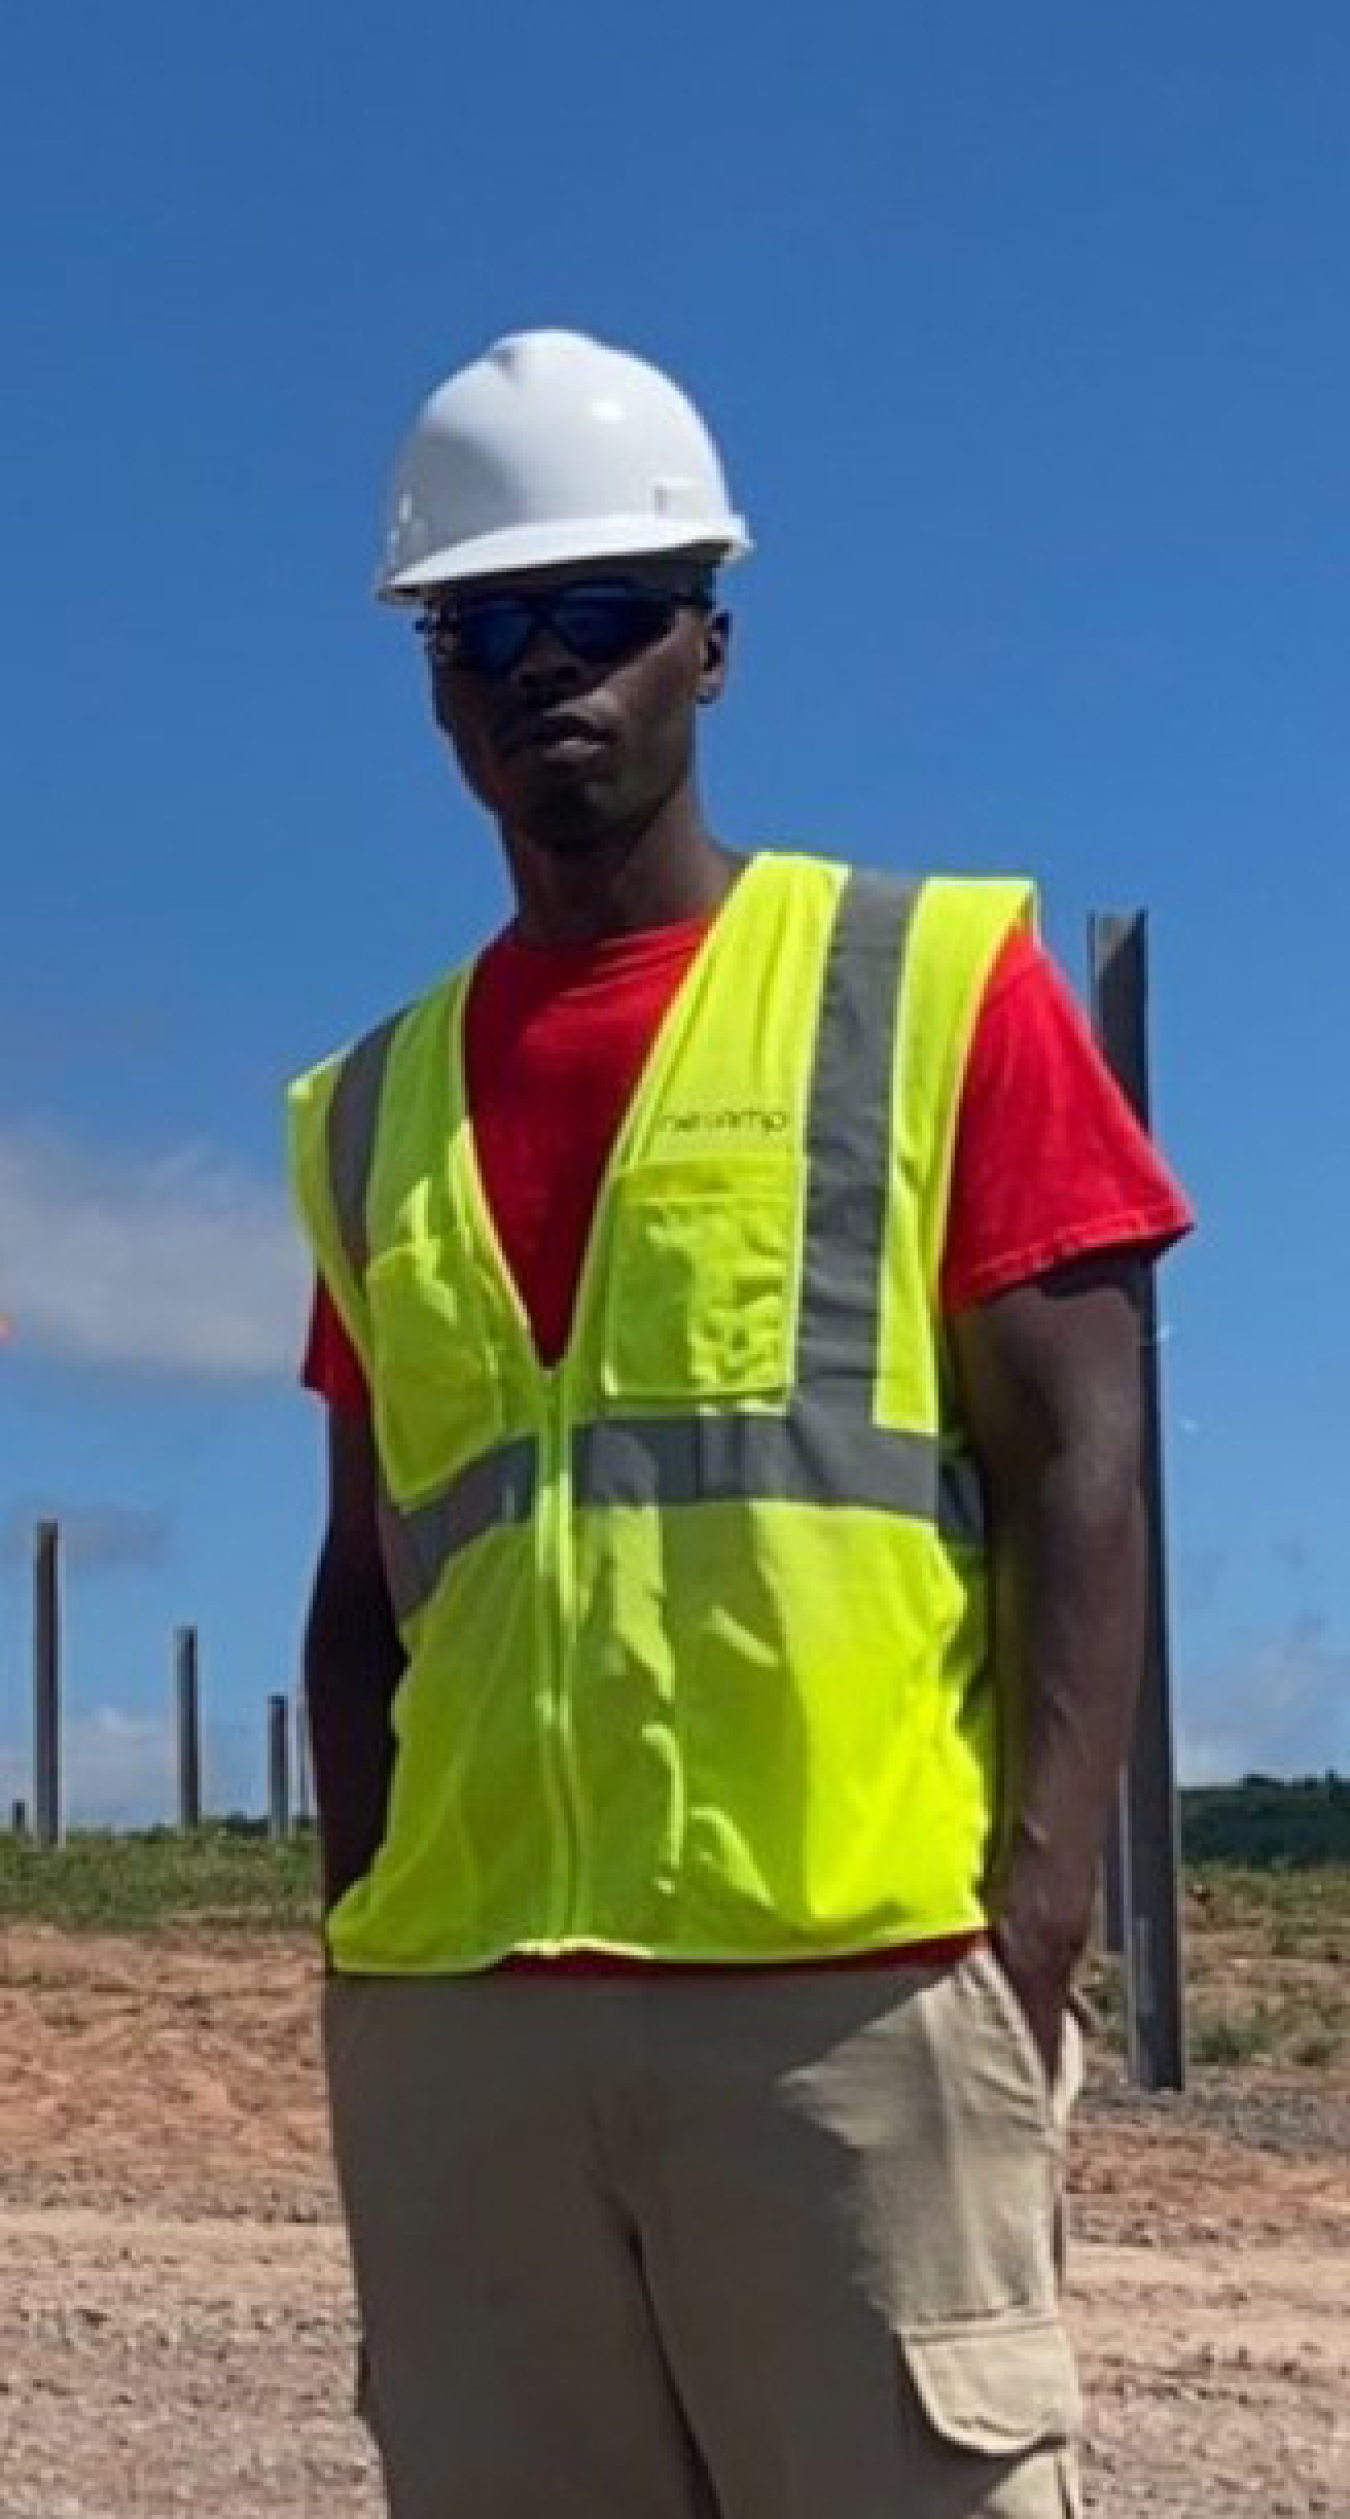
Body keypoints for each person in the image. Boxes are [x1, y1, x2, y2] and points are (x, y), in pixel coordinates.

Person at [289, 328, 1192, 2519]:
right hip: (474, 2028)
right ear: (433, 686)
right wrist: (378, 1945)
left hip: (856, 1997)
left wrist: (1034, 1928)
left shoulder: (932, 980)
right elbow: (362, 1589)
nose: (542, 672)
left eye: (600, 614)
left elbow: (1082, 1458)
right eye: (483, 628)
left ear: (712, 640)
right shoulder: (369, 1105)